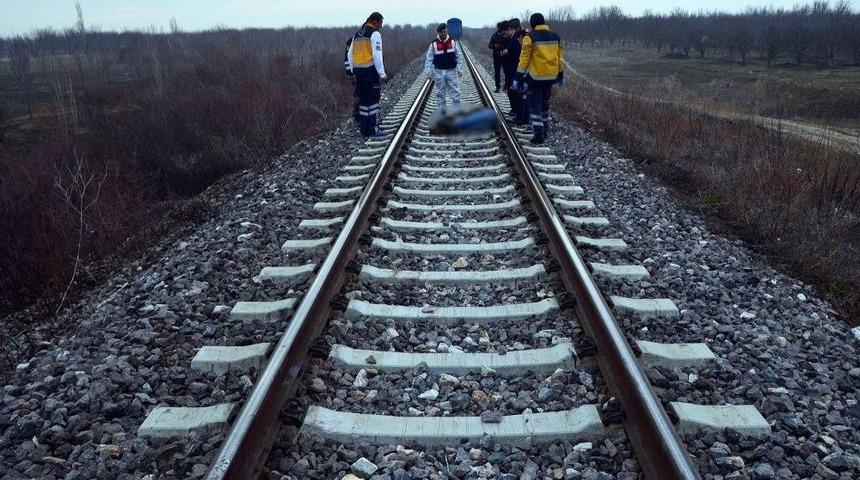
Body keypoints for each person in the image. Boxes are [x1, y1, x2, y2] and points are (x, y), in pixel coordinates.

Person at [514, 13, 563, 144]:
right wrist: (560, 74)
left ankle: (539, 134)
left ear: (532, 24)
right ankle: (545, 131)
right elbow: (559, 58)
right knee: (545, 105)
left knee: (534, 106)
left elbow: (524, 60)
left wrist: (517, 77)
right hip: (550, 78)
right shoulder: (556, 37)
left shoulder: (529, 38)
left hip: (535, 78)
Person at [347, 12, 389, 137]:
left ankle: (364, 130)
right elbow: (377, 55)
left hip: (359, 72)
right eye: (381, 23)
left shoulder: (357, 35)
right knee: (373, 101)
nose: (381, 26)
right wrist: (382, 74)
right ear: (375, 21)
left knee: (364, 102)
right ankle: (373, 129)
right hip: (371, 72)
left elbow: (349, 55)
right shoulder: (374, 34)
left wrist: (353, 71)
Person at [424, 23, 464, 107]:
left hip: (451, 71)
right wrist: (428, 72)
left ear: (447, 31)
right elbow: (429, 59)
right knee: (440, 94)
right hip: (438, 72)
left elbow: (459, 56)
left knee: (455, 93)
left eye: (445, 31)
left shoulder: (452, 42)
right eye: (441, 32)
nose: (443, 34)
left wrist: (460, 69)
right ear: (438, 32)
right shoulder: (433, 44)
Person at [504, 27, 528, 124]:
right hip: (527, 75)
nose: (518, 41)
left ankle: (520, 119)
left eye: (518, 39)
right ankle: (524, 119)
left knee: (521, 97)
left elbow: (522, 62)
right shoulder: (527, 46)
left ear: (521, 37)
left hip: (523, 76)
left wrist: (517, 78)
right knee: (524, 98)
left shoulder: (525, 47)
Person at [487, 21, 508, 92]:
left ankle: (506, 85)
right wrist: (495, 46)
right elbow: (490, 46)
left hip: (505, 57)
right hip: (497, 57)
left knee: (506, 71)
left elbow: (508, 44)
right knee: (497, 72)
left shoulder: (506, 35)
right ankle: (497, 87)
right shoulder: (494, 36)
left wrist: (505, 49)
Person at [344, 37, 360, 124]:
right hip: (358, 71)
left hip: (358, 71)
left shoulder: (352, 40)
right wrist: (350, 73)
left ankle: (358, 114)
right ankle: (357, 114)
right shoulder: (351, 41)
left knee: (358, 93)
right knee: (358, 93)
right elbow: (347, 57)